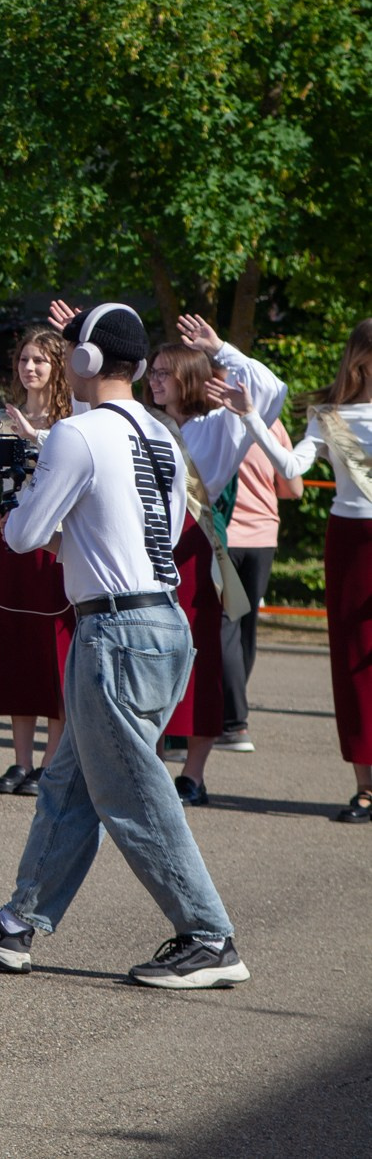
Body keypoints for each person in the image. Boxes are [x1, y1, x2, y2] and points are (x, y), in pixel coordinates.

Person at [0, 302, 250, 990]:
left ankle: (209, 934)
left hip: (113, 630)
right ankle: (19, 922)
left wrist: (28, 484)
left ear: (86, 360)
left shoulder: (78, 434)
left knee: (133, 794)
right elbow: (141, 529)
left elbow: (20, 535)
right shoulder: (161, 431)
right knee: (69, 783)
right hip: (159, 622)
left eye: (71, 348)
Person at [135, 312, 286, 806]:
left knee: (200, 663)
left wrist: (222, 349)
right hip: (145, 548)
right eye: (151, 372)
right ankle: (153, 764)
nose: (154, 381)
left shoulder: (219, 427)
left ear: (189, 378)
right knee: (149, 659)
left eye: (164, 372)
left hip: (196, 548)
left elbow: (270, 390)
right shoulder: (141, 425)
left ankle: (193, 775)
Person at [253, 317, 372, 821]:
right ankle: (365, 786)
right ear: (362, 358)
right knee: (354, 659)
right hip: (350, 540)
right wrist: (250, 418)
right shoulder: (332, 416)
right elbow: (291, 467)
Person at [0, 326, 76, 794]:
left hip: (53, 541)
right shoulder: (2, 417)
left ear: (58, 365)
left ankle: (51, 762)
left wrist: (33, 435)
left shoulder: (73, 419)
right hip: (8, 535)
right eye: (23, 360)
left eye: (40, 360)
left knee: (50, 648)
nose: (30, 367)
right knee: (15, 644)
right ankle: (19, 761)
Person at [219, 409, 296, 756]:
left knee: (225, 627)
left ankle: (234, 722)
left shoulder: (212, 422)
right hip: (264, 536)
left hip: (226, 535)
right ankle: (232, 716)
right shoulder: (272, 424)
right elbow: (292, 487)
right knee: (246, 629)